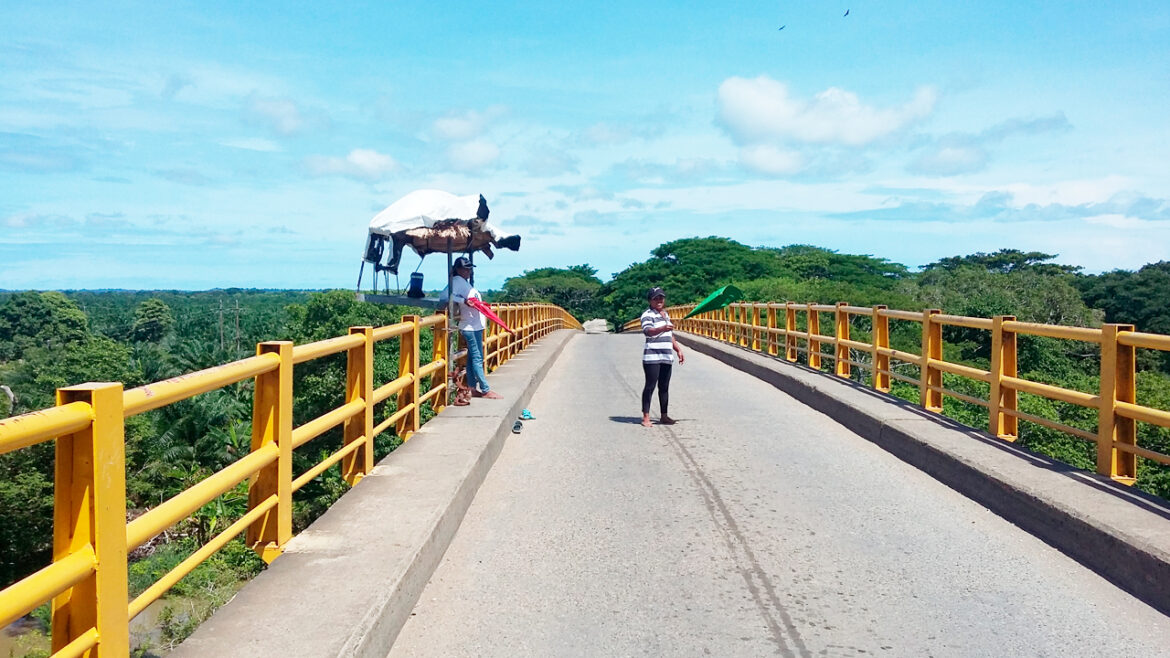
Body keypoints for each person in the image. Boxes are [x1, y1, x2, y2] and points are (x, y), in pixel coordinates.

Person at [449, 256, 503, 399]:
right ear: (458, 269)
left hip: (475, 326)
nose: (469, 271)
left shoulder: (463, 282)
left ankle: (472, 388)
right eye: (466, 269)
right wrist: (464, 301)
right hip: (469, 327)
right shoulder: (456, 281)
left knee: (472, 359)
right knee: (477, 358)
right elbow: (447, 295)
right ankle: (485, 390)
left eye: (470, 269)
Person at [640, 287, 684, 427]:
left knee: (664, 387)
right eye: (656, 298)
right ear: (650, 300)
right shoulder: (647, 315)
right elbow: (648, 331)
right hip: (652, 356)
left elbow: (669, 335)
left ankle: (664, 415)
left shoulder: (666, 314)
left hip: (666, 355)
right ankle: (646, 417)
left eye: (661, 298)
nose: (659, 300)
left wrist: (678, 349)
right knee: (650, 386)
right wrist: (662, 328)